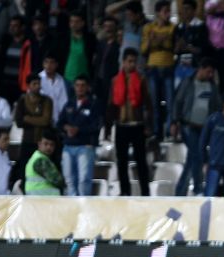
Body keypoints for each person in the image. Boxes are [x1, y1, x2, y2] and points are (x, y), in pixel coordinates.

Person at [173, 57, 221, 196]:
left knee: (192, 159)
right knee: (197, 155)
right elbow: (178, 101)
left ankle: (180, 191)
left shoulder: (212, 86)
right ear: (201, 69)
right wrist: (175, 121)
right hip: (189, 125)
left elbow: (217, 106)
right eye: (208, 71)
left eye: (212, 72)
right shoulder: (188, 82)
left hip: (204, 128)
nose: (210, 75)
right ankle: (198, 188)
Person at [108, 47, 153, 196]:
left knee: (141, 161)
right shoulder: (115, 80)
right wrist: (109, 126)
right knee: (122, 162)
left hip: (137, 125)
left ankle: (145, 193)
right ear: (123, 62)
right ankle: (125, 192)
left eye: (134, 61)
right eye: (129, 61)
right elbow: (111, 104)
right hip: (121, 125)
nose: (132, 64)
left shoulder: (141, 80)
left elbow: (148, 104)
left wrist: (148, 125)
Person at [58, 75, 101, 196]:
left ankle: (84, 204)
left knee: (83, 180)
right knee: (69, 180)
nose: (80, 88)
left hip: (85, 146)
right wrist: (66, 128)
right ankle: (72, 205)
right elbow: (59, 123)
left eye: (83, 85)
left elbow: (96, 126)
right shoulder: (69, 103)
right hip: (68, 146)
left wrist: (78, 130)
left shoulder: (93, 104)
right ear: (74, 87)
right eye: (77, 85)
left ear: (88, 87)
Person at [141, 0, 176, 139]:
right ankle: (156, 131)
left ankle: (169, 131)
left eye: (169, 11)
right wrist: (152, 41)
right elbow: (144, 49)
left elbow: (170, 45)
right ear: (157, 13)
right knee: (154, 103)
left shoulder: (173, 27)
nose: (168, 14)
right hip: (153, 68)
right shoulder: (148, 28)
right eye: (165, 11)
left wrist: (157, 40)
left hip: (168, 67)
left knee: (170, 102)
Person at [13, 74, 53, 191]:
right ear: (28, 85)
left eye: (39, 83)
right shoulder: (22, 100)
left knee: (43, 172)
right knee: (24, 171)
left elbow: (46, 120)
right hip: (27, 141)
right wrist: (37, 119)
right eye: (34, 84)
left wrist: (27, 118)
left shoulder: (47, 100)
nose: (37, 86)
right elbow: (19, 122)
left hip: (42, 142)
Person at [25, 129, 64, 195]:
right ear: (39, 144)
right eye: (46, 144)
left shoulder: (36, 157)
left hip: (39, 197)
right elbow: (57, 180)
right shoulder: (40, 160)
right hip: (43, 197)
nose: (49, 147)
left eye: (52, 145)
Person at [39, 54, 69, 124]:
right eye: (46, 62)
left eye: (52, 62)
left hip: (56, 121)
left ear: (56, 64)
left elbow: (63, 102)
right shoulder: (37, 79)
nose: (48, 65)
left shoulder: (61, 80)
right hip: (40, 120)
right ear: (43, 64)